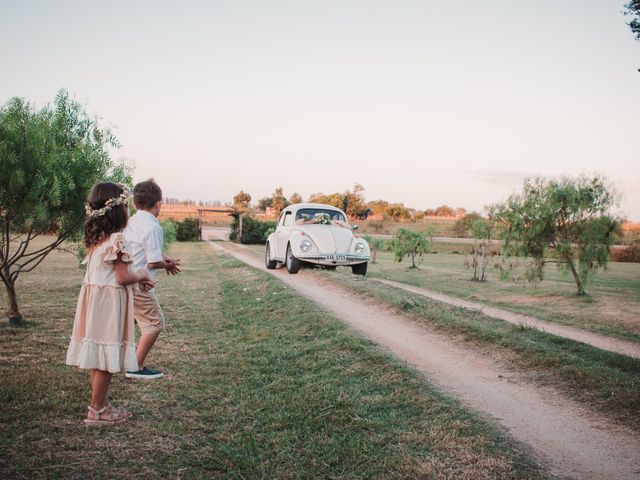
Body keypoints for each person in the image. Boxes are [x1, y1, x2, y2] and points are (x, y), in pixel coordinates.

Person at [66, 182, 154, 426]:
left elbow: (112, 275)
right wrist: (143, 275)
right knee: (106, 357)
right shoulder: (117, 239)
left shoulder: (97, 240)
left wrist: (137, 282)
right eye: (126, 207)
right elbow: (123, 277)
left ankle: (101, 404)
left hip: (96, 303)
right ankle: (97, 410)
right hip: (108, 306)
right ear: (118, 211)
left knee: (99, 355)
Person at [123, 179, 180, 380]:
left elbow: (145, 251)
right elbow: (153, 261)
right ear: (159, 204)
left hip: (125, 279)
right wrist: (168, 264)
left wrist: (166, 259)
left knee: (130, 322)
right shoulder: (154, 227)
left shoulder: (129, 222)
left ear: (133, 204)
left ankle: (124, 360)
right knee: (154, 323)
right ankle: (136, 366)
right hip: (140, 284)